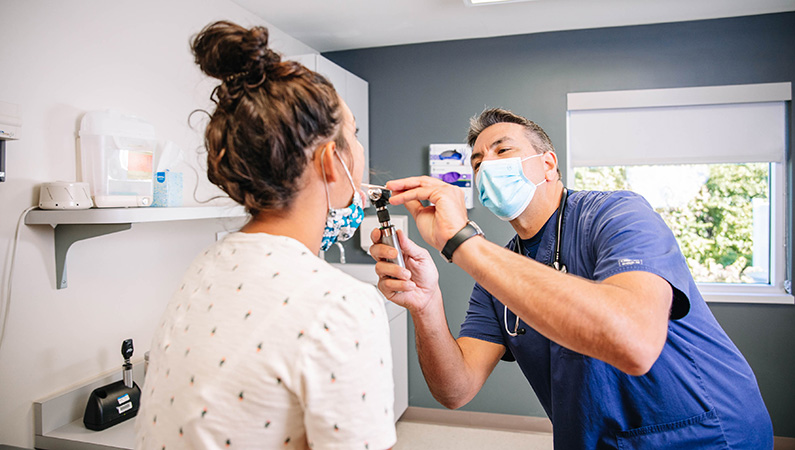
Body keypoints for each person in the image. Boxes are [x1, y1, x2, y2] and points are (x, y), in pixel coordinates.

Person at [369, 107, 773, 449]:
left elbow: (633, 340)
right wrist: (427, 304)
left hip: (704, 434)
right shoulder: (500, 269)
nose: (487, 166)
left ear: (548, 164)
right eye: (476, 163)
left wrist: (463, 242)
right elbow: (455, 390)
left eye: (502, 150)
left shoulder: (618, 214)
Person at [135, 21, 396, 450]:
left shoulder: (206, 267)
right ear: (332, 161)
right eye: (356, 135)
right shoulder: (341, 305)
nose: (362, 152)